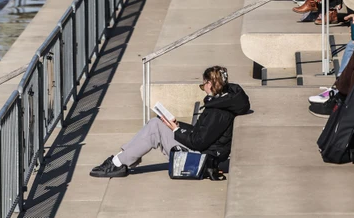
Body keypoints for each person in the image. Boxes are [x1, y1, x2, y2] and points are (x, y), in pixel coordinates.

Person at [90, 65, 250, 178]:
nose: (203, 88)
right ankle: (121, 159)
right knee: (159, 122)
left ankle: (117, 163)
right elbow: (203, 133)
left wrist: (176, 130)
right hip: (207, 149)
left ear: (210, 83)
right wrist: (178, 126)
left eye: (203, 85)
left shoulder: (218, 111)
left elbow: (199, 142)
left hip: (202, 157)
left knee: (155, 127)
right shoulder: (224, 100)